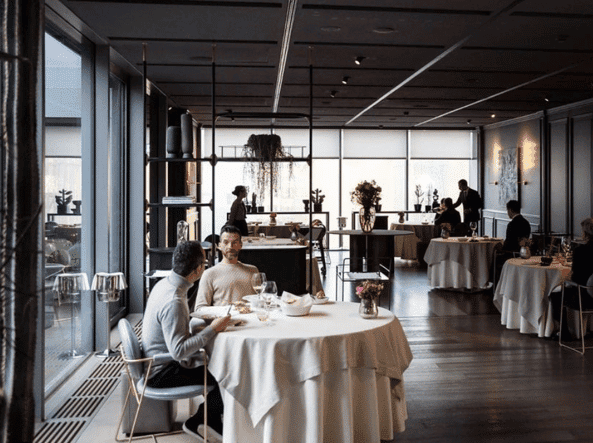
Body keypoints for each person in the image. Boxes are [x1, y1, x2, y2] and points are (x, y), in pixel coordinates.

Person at [142, 241, 231, 438]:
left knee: (218, 368)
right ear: (198, 269)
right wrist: (213, 328)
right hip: (160, 373)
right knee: (226, 375)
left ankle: (210, 420)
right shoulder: (174, 300)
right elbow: (179, 351)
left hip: (154, 363)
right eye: (205, 263)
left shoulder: (165, 284)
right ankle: (198, 421)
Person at [194, 225, 259, 309]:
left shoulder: (253, 271)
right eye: (226, 242)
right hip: (224, 321)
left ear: (241, 245)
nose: (230, 246)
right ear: (219, 245)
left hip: (251, 320)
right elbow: (200, 308)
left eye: (234, 242)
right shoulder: (209, 274)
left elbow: (260, 303)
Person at [551, 218, 593, 339]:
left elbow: (576, 276)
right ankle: (588, 328)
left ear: (585, 233)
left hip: (584, 297)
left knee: (555, 295)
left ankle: (564, 332)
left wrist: (565, 282)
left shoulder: (580, 251)